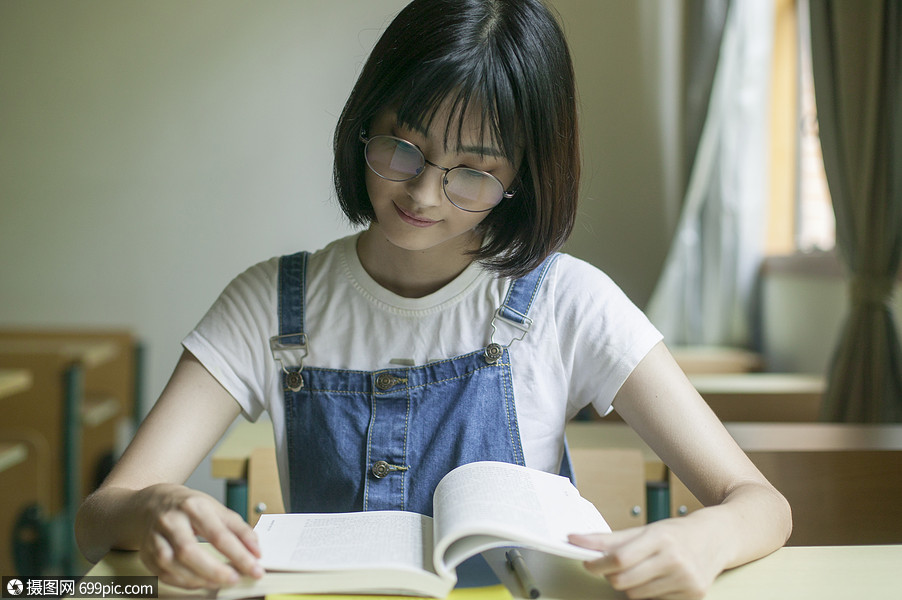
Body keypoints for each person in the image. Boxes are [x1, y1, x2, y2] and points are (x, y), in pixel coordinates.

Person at [75, 0, 791, 598]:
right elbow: (96, 517)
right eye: (402, 148)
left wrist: (703, 537)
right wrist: (154, 506)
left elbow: (761, 504)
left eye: (472, 172)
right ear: (364, 122)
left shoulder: (569, 301)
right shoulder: (270, 302)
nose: (420, 193)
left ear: (524, 179)